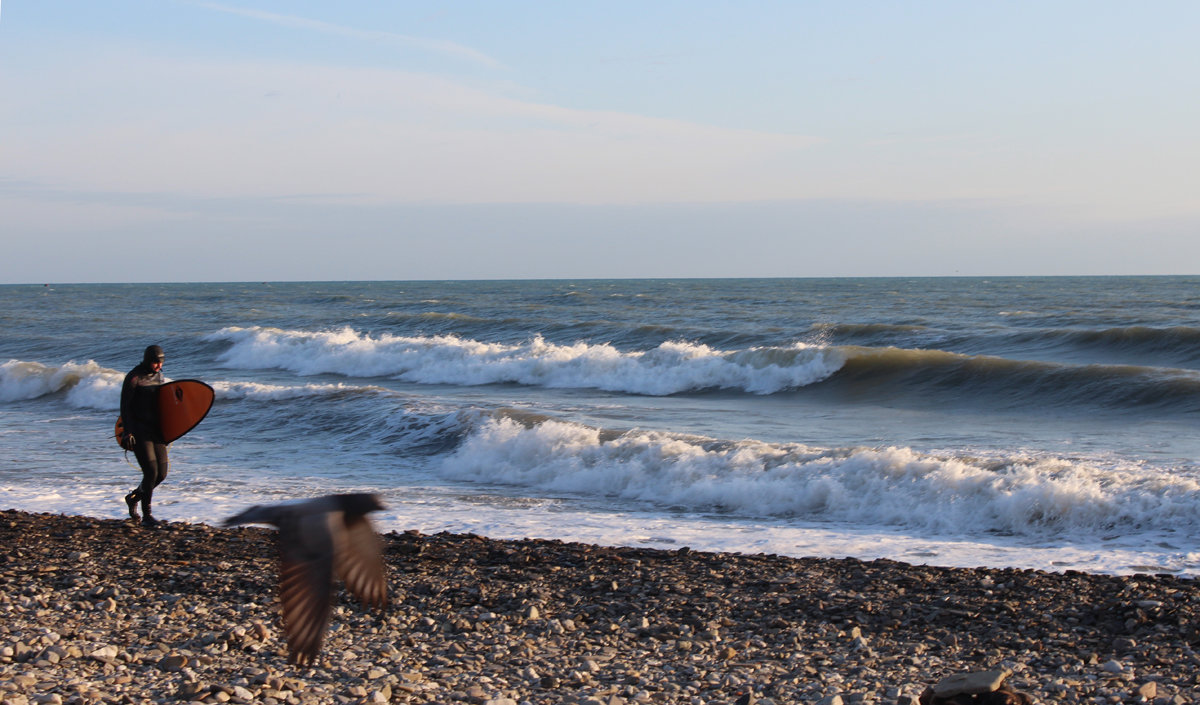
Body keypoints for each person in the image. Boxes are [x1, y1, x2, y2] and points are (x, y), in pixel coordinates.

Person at [119, 344, 169, 527]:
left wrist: (170, 429)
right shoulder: (134, 377)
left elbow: (164, 404)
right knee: (150, 473)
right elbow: (125, 407)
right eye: (155, 362)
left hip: (155, 431)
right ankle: (147, 515)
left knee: (161, 474)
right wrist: (127, 431)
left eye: (161, 362)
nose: (158, 366)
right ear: (148, 360)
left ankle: (133, 498)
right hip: (138, 430)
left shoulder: (159, 376)